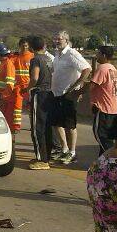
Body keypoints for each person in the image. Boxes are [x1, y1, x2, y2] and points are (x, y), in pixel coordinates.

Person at [51, 31, 92, 164]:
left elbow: (86, 69)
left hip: (68, 95)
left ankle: (72, 152)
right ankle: (64, 149)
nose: (57, 41)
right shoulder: (57, 54)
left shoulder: (72, 54)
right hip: (56, 93)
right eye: (56, 39)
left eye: (60, 39)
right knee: (57, 123)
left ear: (67, 41)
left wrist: (75, 88)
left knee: (70, 125)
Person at [87, 46, 117, 154]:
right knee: (108, 137)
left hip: (103, 108)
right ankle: (103, 164)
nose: (96, 55)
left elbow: (92, 86)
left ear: (104, 55)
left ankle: (114, 158)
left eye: (98, 53)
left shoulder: (102, 68)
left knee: (101, 136)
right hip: (114, 108)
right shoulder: (113, 69)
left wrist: (76, 92)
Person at [27, 36, 54, 169]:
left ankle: (42, 160)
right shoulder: (49, 59)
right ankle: (45, 157)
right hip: (50, 93)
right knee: (47, 127)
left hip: (39, 93)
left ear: (31, 48)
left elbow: (35, 77)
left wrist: (27, 88)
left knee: (37, 127)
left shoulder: (35, 60)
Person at [0, 43, 17, 136]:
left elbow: (10, 84)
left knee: (6, 123)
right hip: (0, 99)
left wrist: (2, 96)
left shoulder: (8, 64)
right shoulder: (3, 64)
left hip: (5, 100)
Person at [11, 37, 34, 134]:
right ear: (19, 46)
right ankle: (16, 127)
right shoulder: (16, 57)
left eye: (26, 46)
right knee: (17, 107)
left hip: (30, 86)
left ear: (29, 46)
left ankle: (34, 126)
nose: (24, 47)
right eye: (23, 45)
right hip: (19, 86)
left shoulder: (33, 56)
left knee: (32, 108)